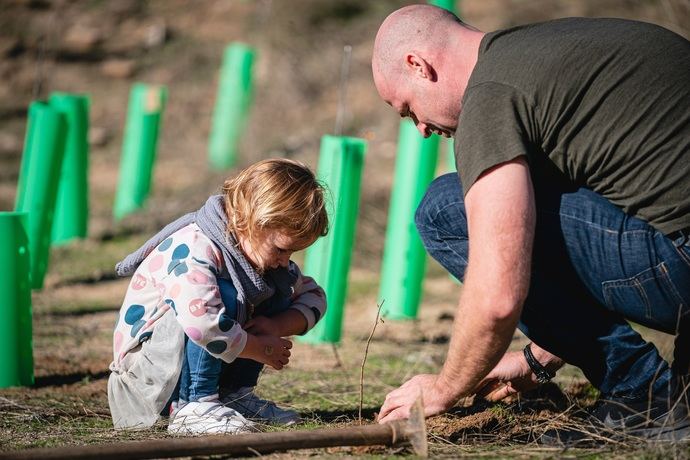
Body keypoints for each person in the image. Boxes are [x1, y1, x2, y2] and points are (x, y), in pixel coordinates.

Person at [372, 4, 690, 442]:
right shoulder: (553, 54)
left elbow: (499, 295)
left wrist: (444, 389)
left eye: (406, 109)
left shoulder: (490, 95)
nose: (421, 129)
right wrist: (537, 357)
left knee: (444, 209)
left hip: (680, 258)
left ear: (418, 65)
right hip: (674, 242)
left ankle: (645, 397)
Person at [108, 159, 329, 434]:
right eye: (281, 249)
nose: (285, 261)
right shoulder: (196, 248)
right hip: (145, 387)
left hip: (171, 376)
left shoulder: (254, 259)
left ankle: (233, 397)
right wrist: (261, 348)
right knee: (225, 295)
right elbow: (202, 323)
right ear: (249, 221)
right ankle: (195, 405)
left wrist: (277, 326)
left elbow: (315, 296)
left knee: (275, 288)